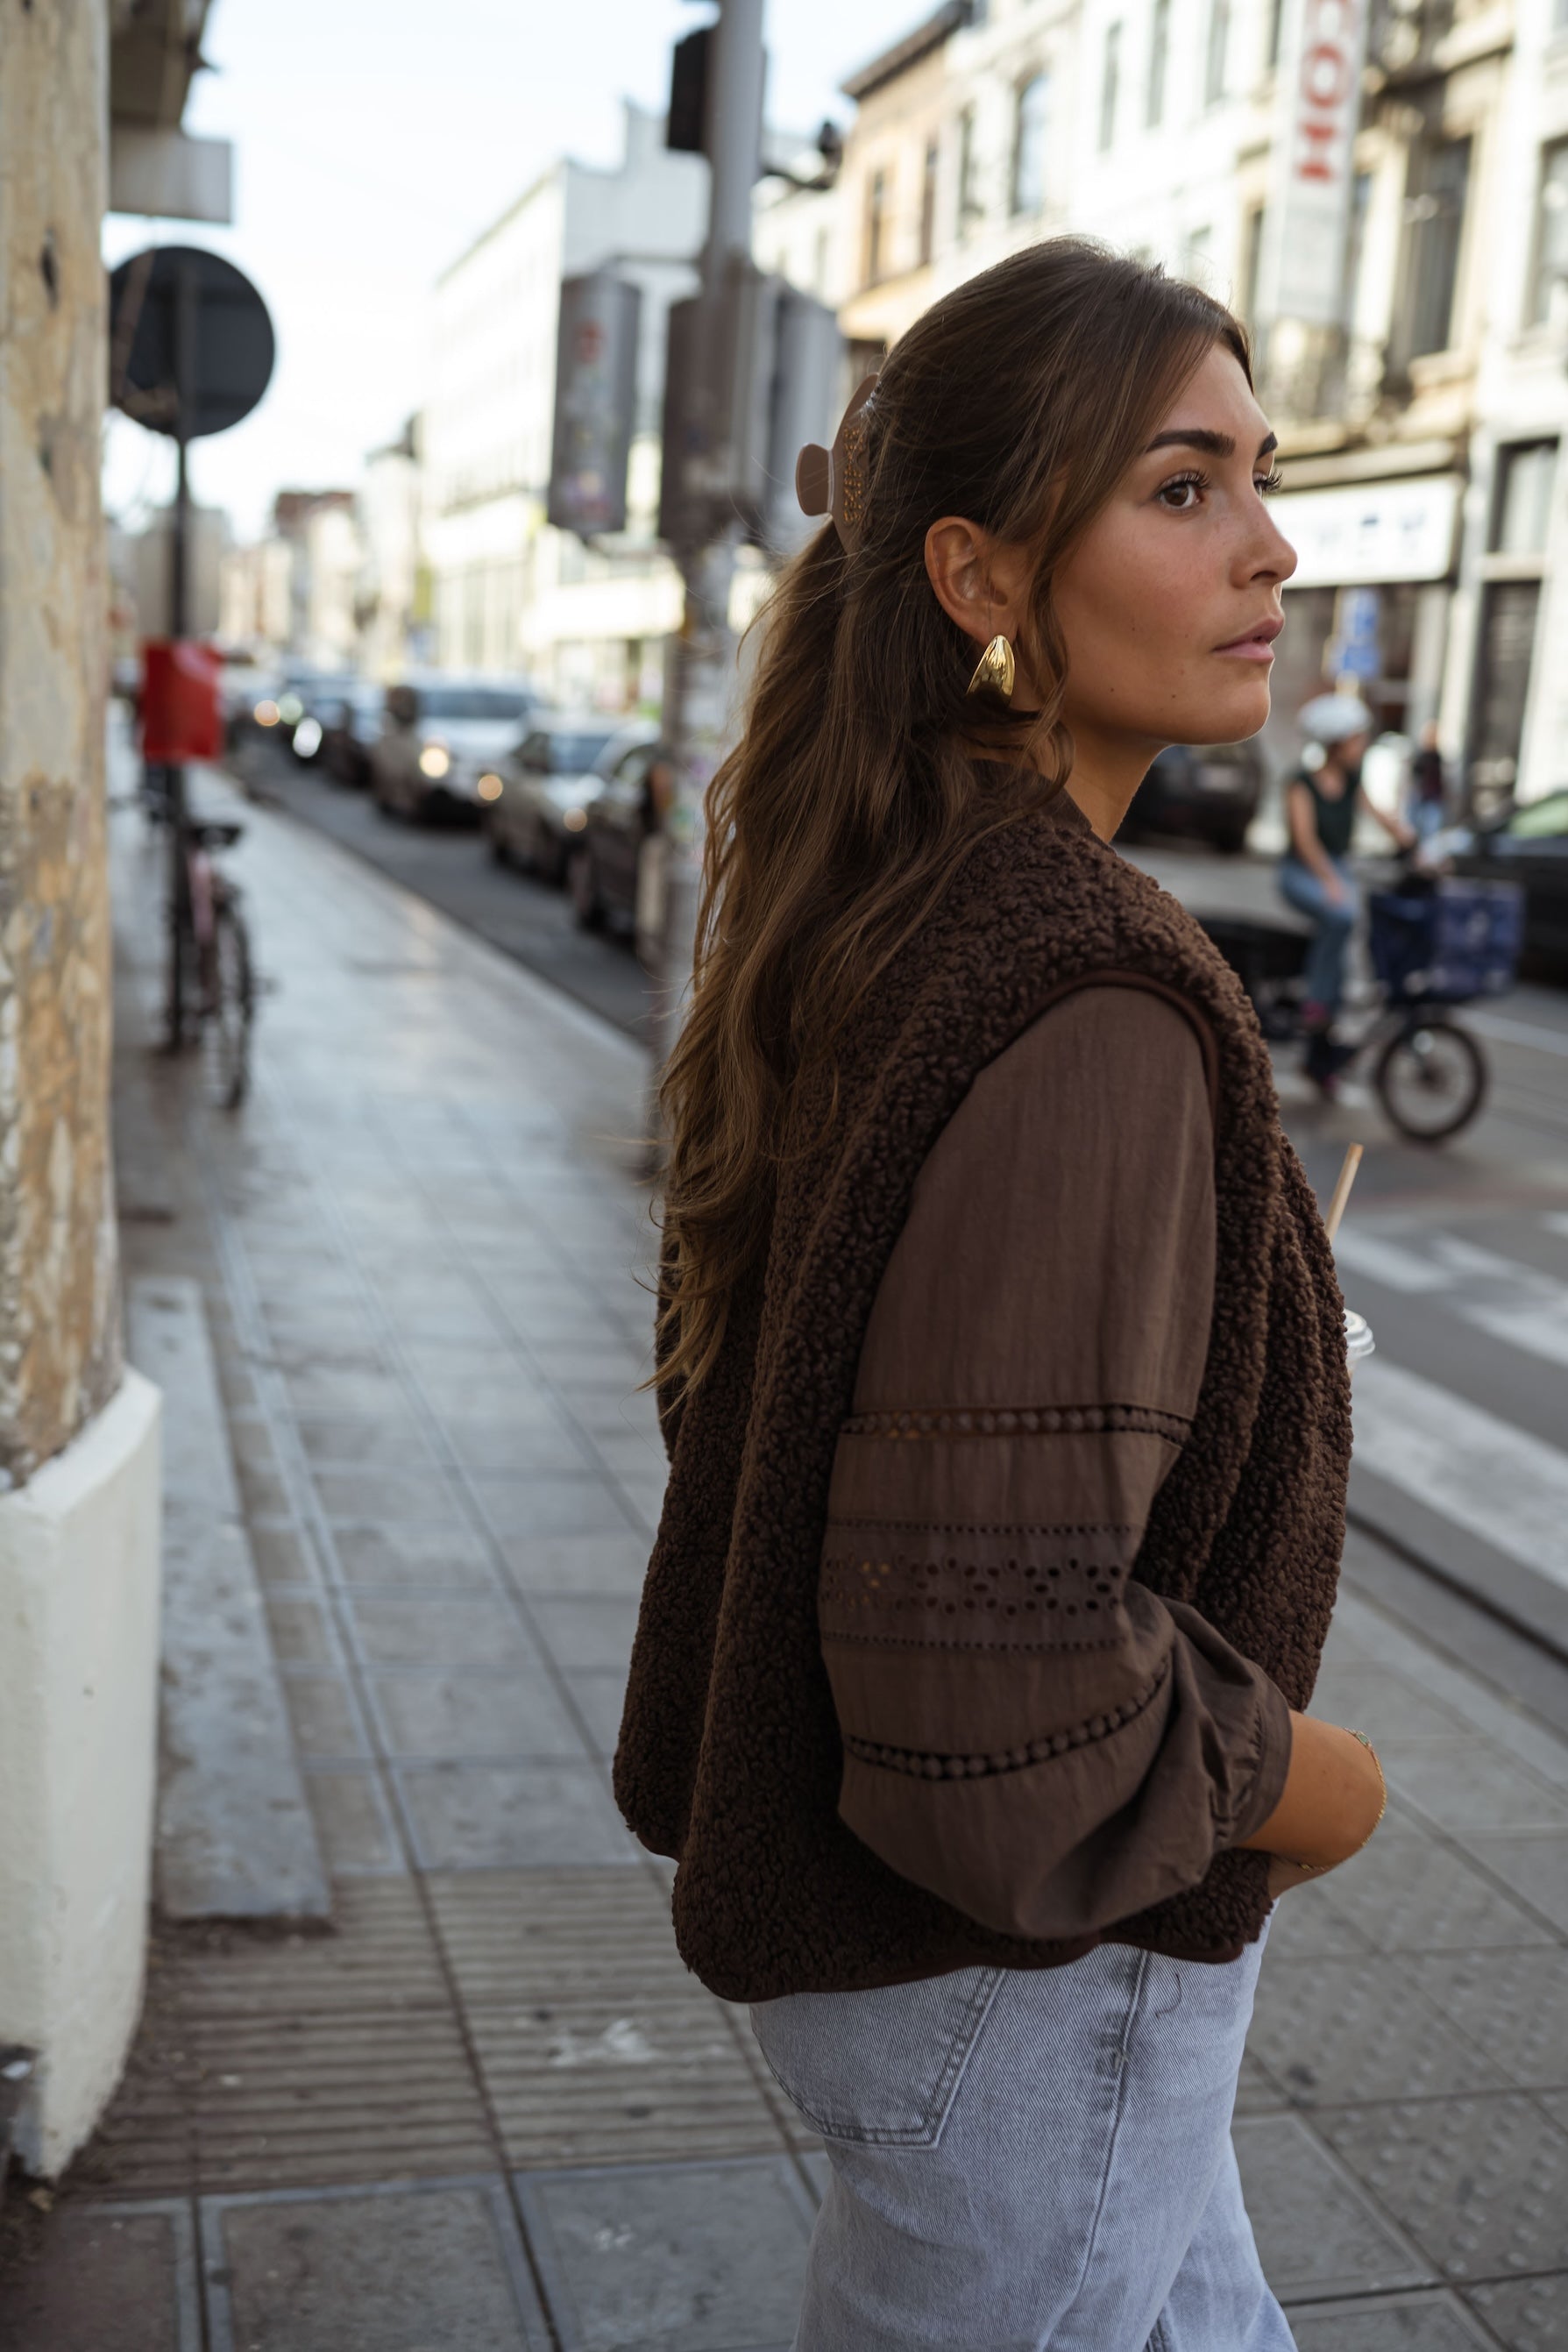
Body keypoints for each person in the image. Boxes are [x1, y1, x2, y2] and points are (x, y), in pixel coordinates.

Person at [615, 240, 1386, 2352]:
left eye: (1259, 475)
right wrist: (1311, 1783)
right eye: (1180, 488)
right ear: (976, 574)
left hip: (964, 1986)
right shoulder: (1090, 988)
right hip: (1031, 1981)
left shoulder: (904, 895)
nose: (1271, 543)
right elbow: (996, 1685)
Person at [1280, 693, 1415, 1092]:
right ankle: (1317, 1004)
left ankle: (1324, 1041)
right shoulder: (1300, 783)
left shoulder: (1353, 781)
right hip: (1301, 871)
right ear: (1337, 744)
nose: (1362, 745)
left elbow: (1382, 814)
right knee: (1341, 916)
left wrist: (1415, 846)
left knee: (1351, 926)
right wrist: (1331, 880)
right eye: (1357, 739)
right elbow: (1304, 840)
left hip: (1335, 869)